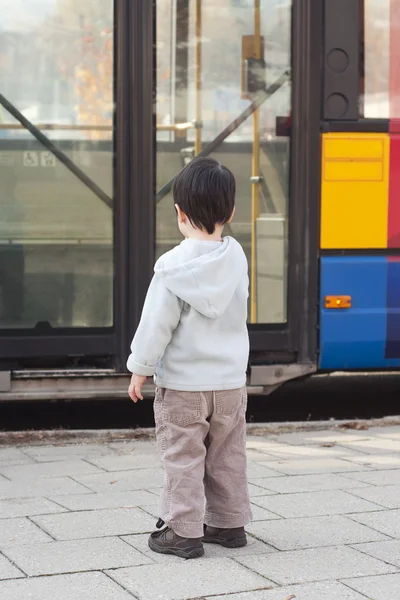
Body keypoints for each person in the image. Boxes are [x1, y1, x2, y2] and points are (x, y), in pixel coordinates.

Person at [127, 157, 252, 559]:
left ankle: (182, 531)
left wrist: (140, 368)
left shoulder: (172, 267)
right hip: (231, 384)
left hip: (184, 387)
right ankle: (229, 523)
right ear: (230, 212)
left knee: (183, 457)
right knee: (227, 454)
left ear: (179, 213)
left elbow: (156, 325)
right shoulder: (236, 258)